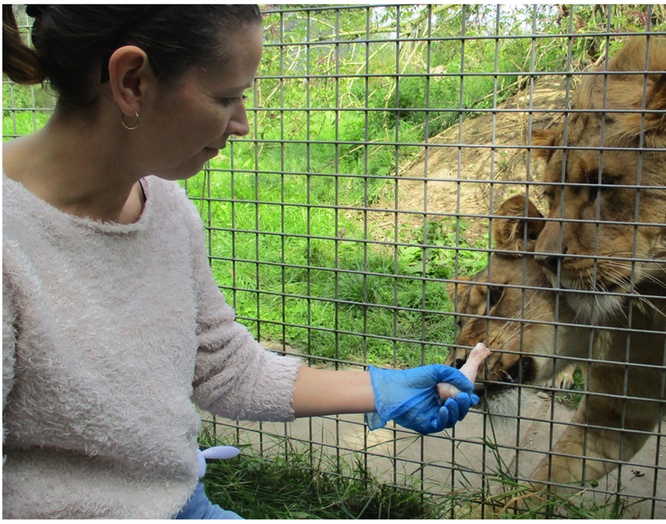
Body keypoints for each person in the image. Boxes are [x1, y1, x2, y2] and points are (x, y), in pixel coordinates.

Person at [1, 5, 478, 519]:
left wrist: (384, 389)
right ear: (132, 81)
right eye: (226, 97)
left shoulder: (164, 206)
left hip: (183, 504)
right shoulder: (11, 240)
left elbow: (224, 367)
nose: (243, 124)